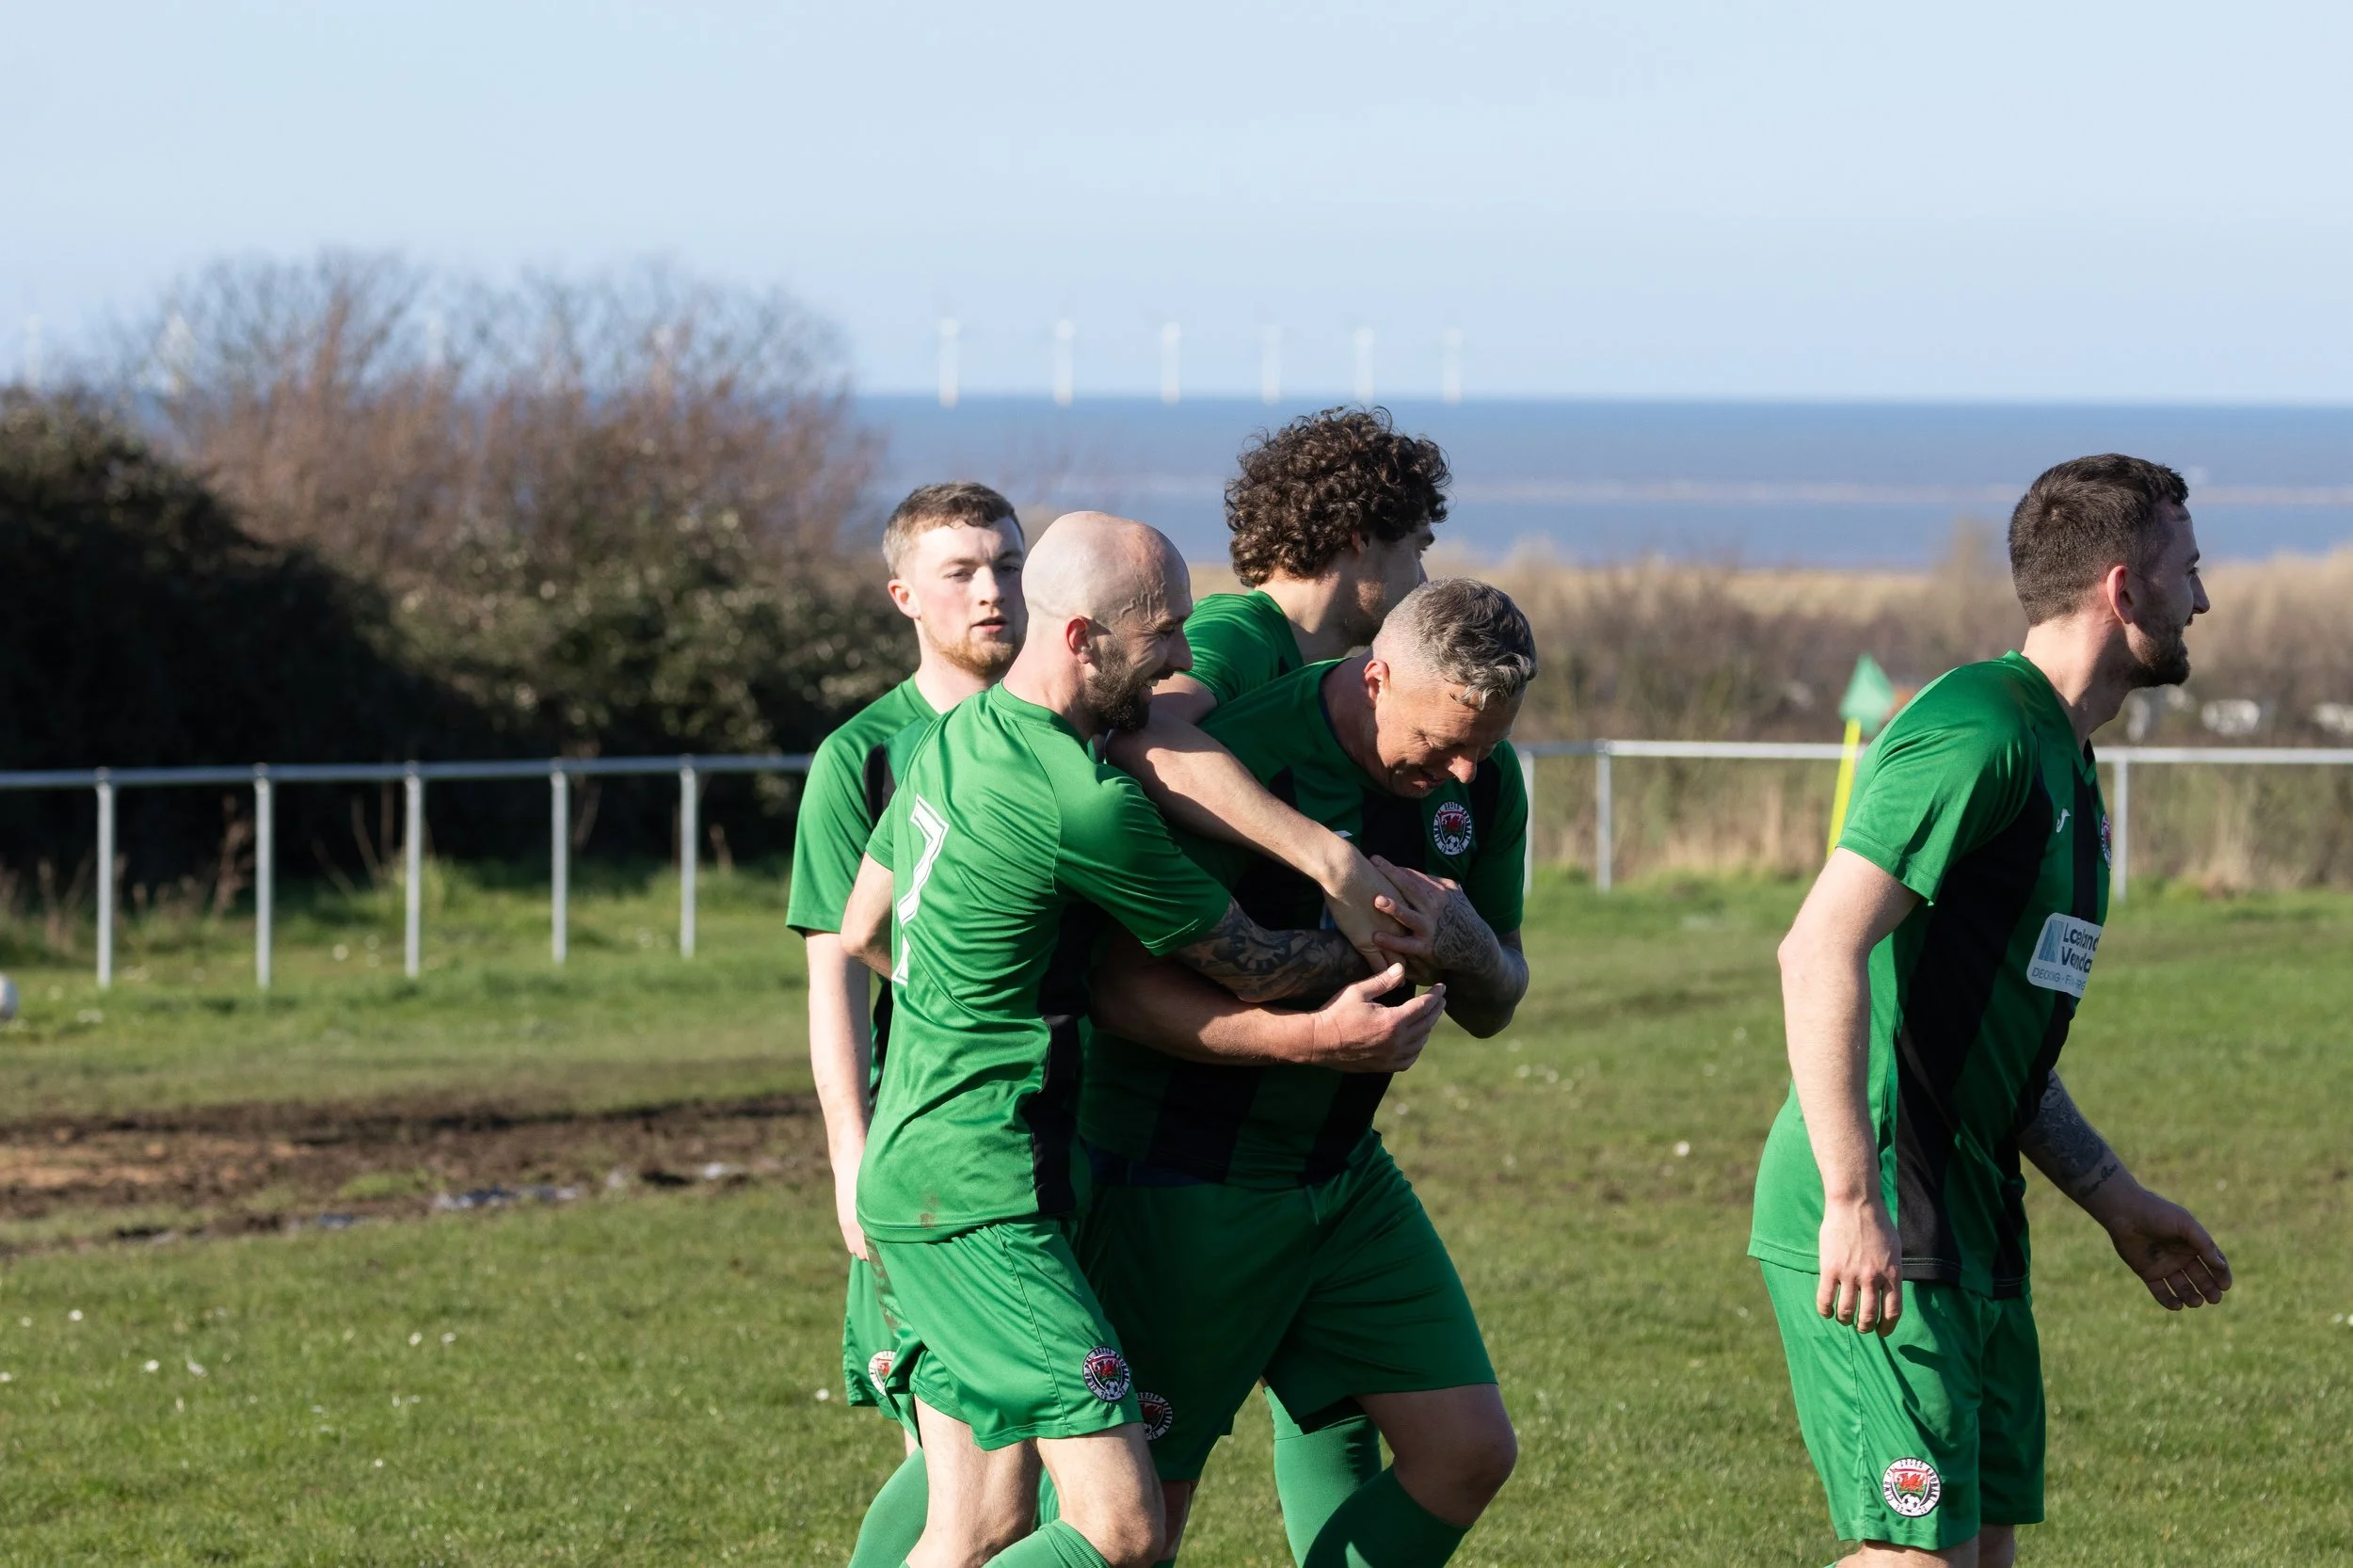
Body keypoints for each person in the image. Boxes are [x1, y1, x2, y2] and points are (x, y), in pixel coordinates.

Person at [837, 513, 1434, 1568]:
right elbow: (1243, 958)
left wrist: (962, 997)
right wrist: (1381, 948)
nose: (1180, 661)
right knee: (1118, 1528)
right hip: (983, 1193)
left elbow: (867, 926)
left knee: (974, 1524)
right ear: (1079, 639)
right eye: (1159, 635)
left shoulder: (957, 736)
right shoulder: (1087, 802)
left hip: (918, 1166)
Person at [1750, 455, 2233, 1568]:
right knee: (1915, 1560)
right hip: (1886, 1204)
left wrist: (2114, 1198)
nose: (2200, 600)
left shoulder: (2065, 759)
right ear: (2124, 589)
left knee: (1978, 1556)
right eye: (2188, 572)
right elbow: (1816, 945)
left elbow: (1993, 1044)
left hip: (1974, 1213)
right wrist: (1848, 1198)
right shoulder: (1980, 728)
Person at [1079, 578, 1537, 1567]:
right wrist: (1309, 1041)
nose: (1462, 766)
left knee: (1465, 1450)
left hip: (1339, 1171)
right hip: (1179, 1177)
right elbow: (1116, 993)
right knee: (1133, 1524)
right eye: (1443, 738)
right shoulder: (1240, 766)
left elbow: (1499, 996)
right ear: (1374, 678)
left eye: (1487, 741)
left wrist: (1466, 949)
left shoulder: (1484, 782)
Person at [785, 482, 1028, 1565]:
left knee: (1029, 1450)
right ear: (903, 596)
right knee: (975, 1464)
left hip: (1059, 1132)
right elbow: (837, 963)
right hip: (933, 1146)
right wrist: (849, 1151)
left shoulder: (1065, 726)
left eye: (1009, 566)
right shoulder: (863, 755)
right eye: (962, 573)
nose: (992, 591)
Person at [1111, 407, 1449, 974]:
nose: (1424, 580)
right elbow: (1142, 731)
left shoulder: (1326, 671)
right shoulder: (1238, 631)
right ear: (1361, 537)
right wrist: (1330, 860)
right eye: (1417, 550)